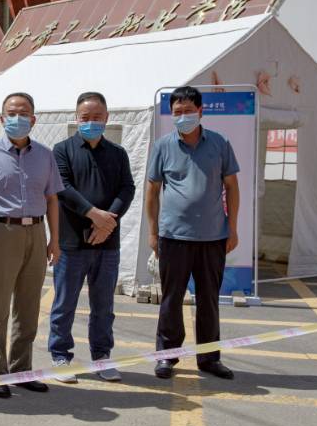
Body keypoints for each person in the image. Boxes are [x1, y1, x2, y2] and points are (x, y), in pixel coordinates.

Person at [0, 92, 63, 398]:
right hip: (1, 232)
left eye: (23, 113)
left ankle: (22, 370)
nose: (17, 118)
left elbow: (52, 199)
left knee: (29, 306)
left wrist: (54, 239)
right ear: (2, 118)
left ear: (33, 119)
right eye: (11, 113)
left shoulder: (45, 155)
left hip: (36, 231)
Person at [146, 85, 240, 380]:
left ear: (201, 111)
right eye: (178, 112)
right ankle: (166, 356)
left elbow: (232, 187)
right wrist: (153, 232)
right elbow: (152, 191)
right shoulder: (163, 146)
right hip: (173, 236)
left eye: (188, 110)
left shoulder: (220, 143)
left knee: (209, 299)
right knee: (171, 299)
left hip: (213, 237)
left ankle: (209, 358)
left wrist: (233, 228)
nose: (183, 116)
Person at [49, 92, 135, 383]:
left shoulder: (118, 153)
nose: (91, 122)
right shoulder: (62, 150)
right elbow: (62, 187)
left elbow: (127, 189)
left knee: (103, 306)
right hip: (71, 242)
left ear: (107, 118)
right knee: (64, 303)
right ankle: (61, 356)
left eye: (97, 117)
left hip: (107, 242)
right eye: (85, 117)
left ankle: (102, 356)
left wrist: (107, 222)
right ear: (76, 118)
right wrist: (93, 214)